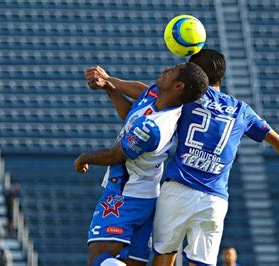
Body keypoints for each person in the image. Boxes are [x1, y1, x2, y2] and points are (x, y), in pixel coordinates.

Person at [87, 49, 279, 266]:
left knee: (165, 254)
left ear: (196, 75)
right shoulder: (241, 110)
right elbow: (275, 138)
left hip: (178, 189)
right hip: (215, 199)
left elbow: (148, 92)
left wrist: (111, 81)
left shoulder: (187, 99)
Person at [75, 62, 208, 266]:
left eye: (172, 71)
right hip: (147, 197)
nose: (165, 69)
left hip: (124, 196)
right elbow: (134, 107)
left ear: (178, 85)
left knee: (98, 259)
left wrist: (84, 158)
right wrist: (109, 85)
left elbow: (115, 156)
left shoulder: (153, 128)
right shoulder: (159, 99)